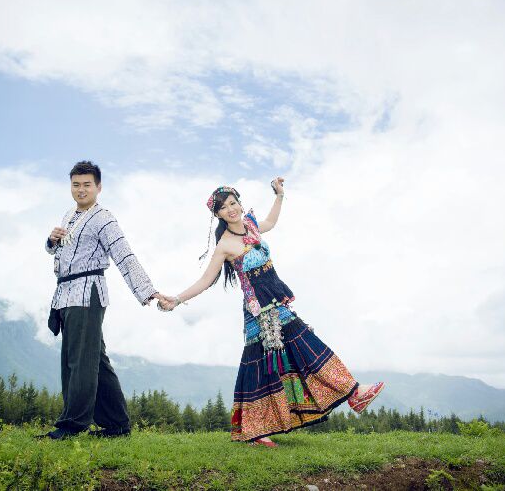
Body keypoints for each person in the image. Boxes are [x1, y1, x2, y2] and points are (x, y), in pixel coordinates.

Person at [158, 178, 384, 447]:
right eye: (224, 207)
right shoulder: (225, 245)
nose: (231, 209)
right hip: (258, 312)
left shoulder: (252, 226)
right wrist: (177, 299)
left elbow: (271, 222)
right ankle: (258, 429)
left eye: (233, 203)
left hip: (278, 302)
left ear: (240, 204)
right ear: (217, 215)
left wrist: (279, 195)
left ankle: (352, 392)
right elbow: (206, 280)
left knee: (306, 348)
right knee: (261, 365)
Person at [41, 160, 162, 440]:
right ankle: (117, 425)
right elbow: (59, 253)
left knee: (79, 361)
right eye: (76, 185)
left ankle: (71, 425)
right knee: (95, 359)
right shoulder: (68, 215)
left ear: (98, 187)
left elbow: (124, 254)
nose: (81, 190)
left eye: (87, 184)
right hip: (66, 293)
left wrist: (148, 292)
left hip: (88, 293)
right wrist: (51, 241)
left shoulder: (104, 218)